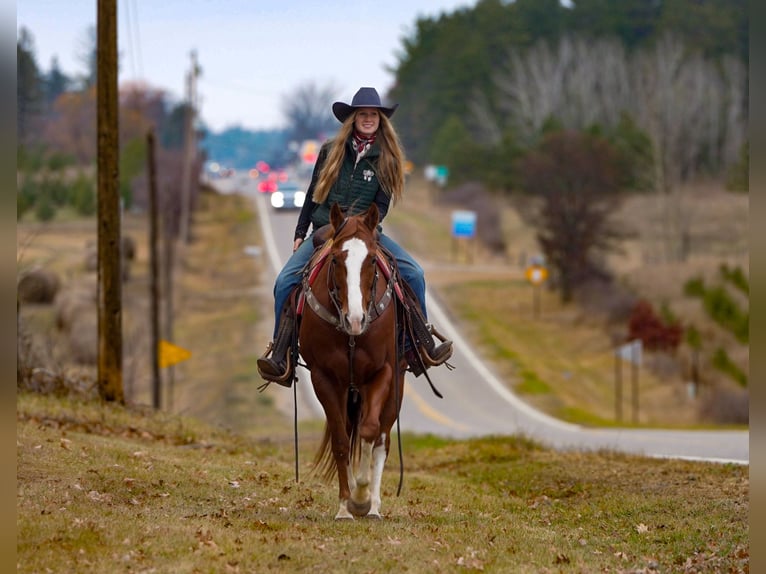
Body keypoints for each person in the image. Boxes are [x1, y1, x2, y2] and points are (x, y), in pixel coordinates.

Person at [257, 87, 453, 386]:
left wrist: (364, 228)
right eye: (362, 114)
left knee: (414, 274)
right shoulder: (329, 151)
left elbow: (382, 205)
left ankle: (419, 346)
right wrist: (300, 232)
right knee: (284, 282)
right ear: (353, 118)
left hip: (366, 233)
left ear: (380, 120)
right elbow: (312, 194)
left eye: (373, 115)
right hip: (326, 231)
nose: (368, 119)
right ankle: (280, 354)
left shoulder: (388, 157)